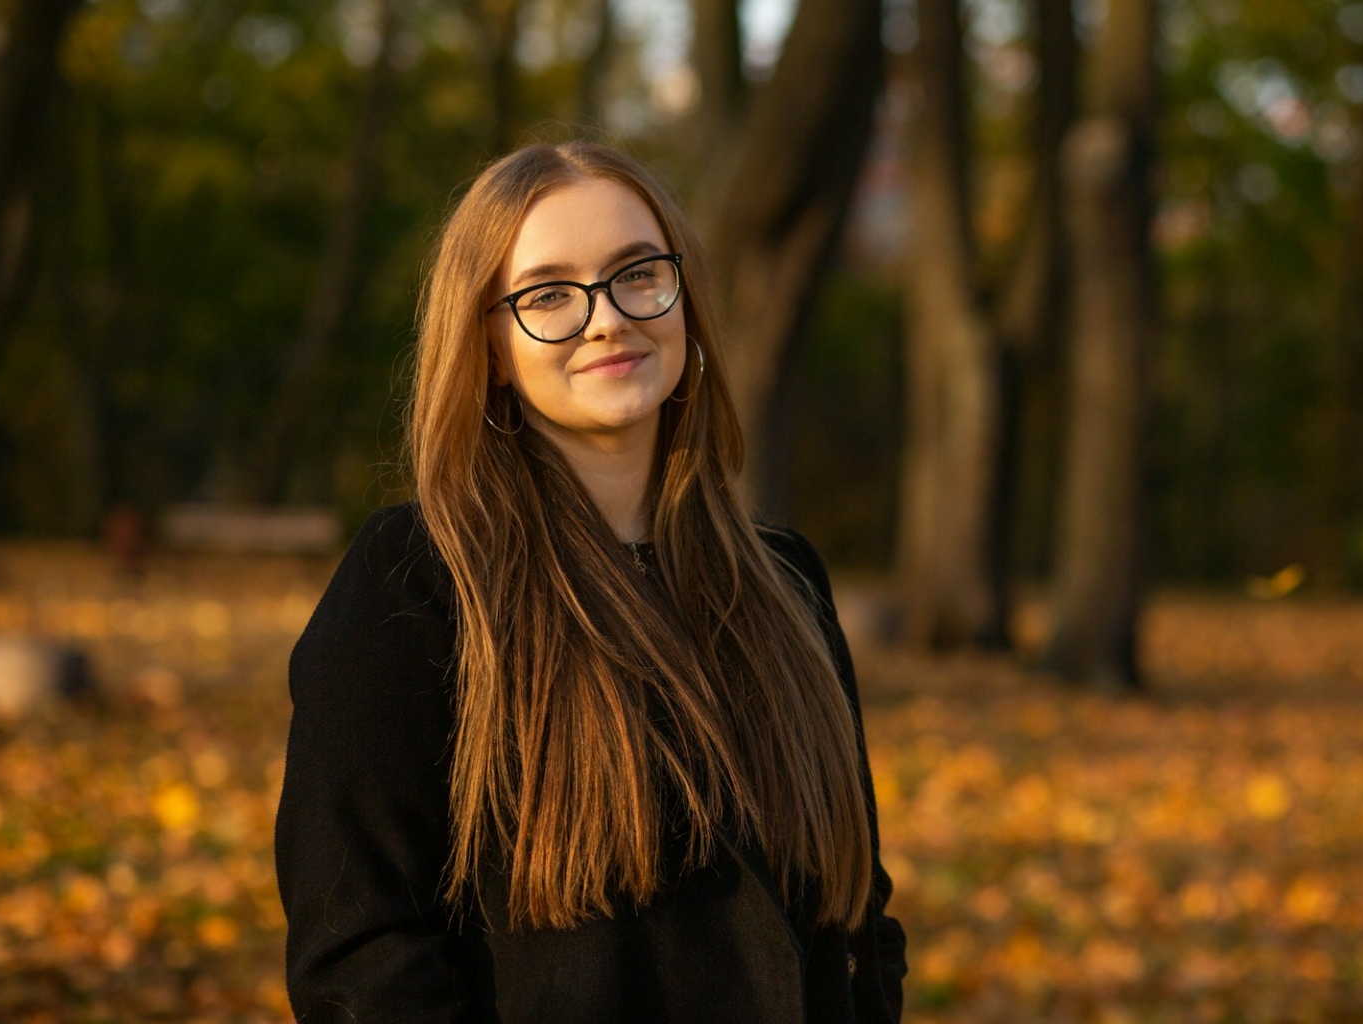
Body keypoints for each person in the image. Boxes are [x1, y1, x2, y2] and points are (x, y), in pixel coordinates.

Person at [274, 140, 907, 1023]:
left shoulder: (786, 579)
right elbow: (359, 954)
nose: (606, 319)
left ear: (682, 296)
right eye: (547, 296)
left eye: (637, 273)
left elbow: (858, 917)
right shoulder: (414, 584)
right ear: (489, 345)